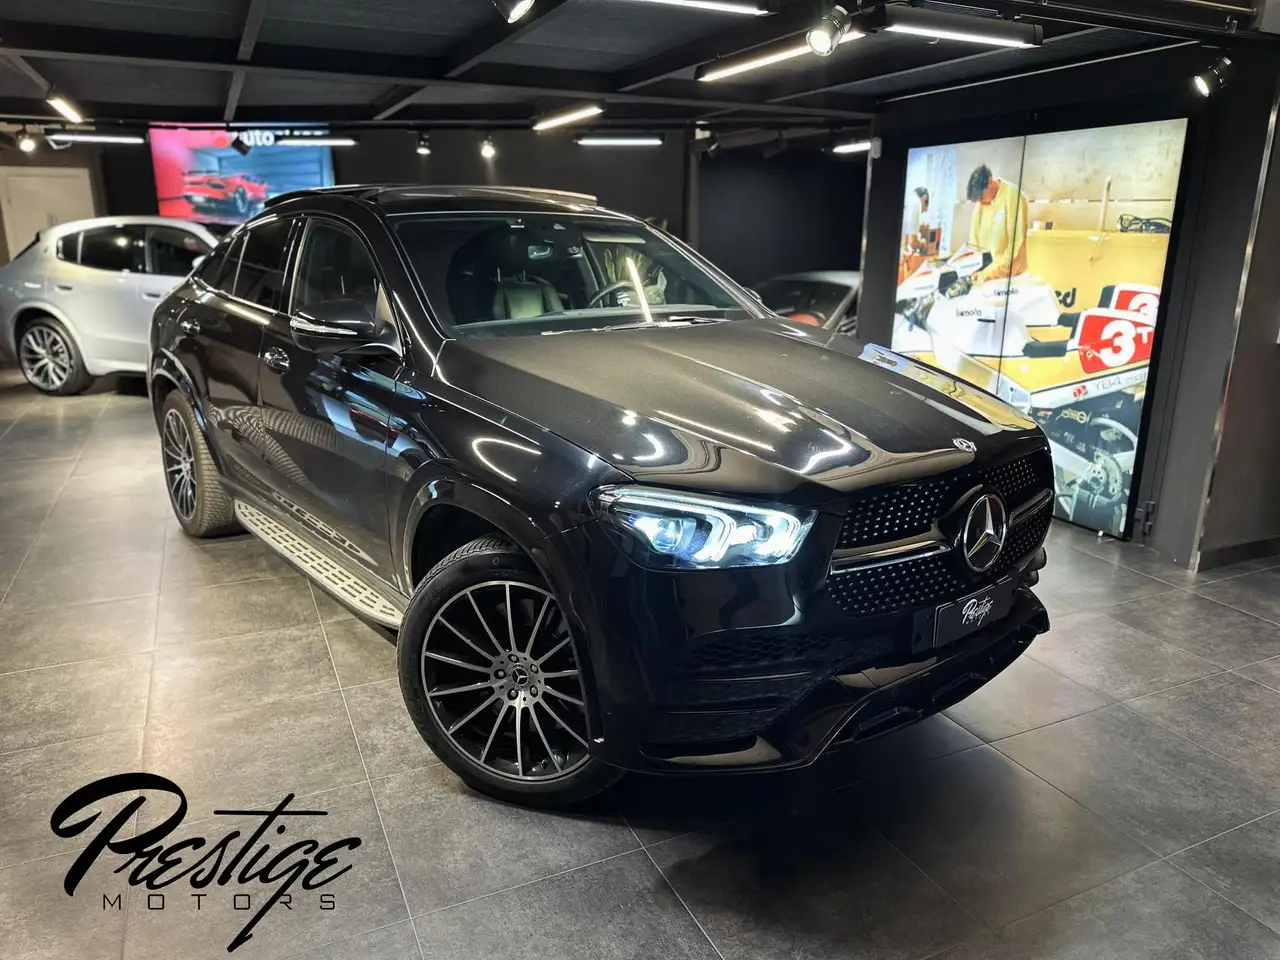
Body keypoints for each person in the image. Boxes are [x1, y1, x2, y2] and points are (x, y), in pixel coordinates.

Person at [966, 164, 1029, 283]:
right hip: (986, 276)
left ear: (990, 182)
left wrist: (991, 272)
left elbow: (1016, 243)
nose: (980, 202)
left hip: (1010, 276)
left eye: (981, 197)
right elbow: (973, 243)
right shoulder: (980, 206)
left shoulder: (1012, 195)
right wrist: (973, 269)